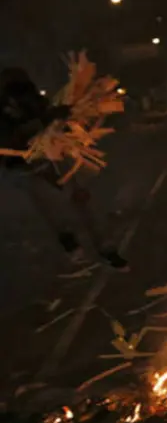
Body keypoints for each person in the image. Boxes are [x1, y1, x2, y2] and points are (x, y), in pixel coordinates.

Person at [0, 67, 129, 273]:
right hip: (26, 168)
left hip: (54, 158)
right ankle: (73, 246)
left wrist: (65, 120)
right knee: (54, 209)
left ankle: (105, 248)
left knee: (81, 201)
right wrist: (45, 121)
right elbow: (12, 139)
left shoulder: (34, 101)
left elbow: (51, 122)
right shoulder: (5, 110)